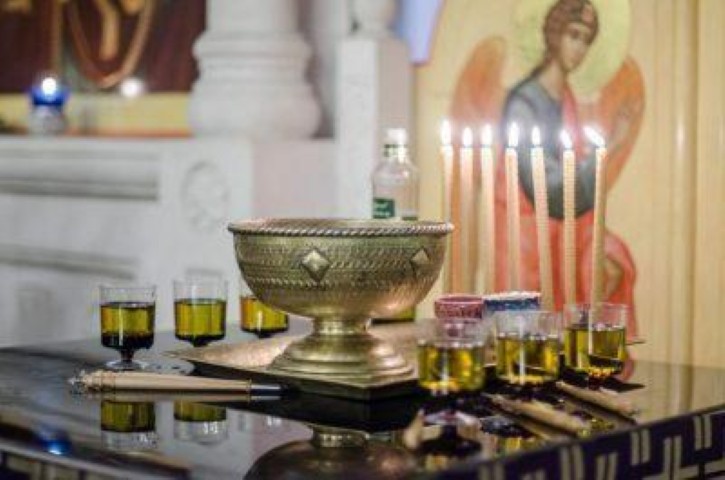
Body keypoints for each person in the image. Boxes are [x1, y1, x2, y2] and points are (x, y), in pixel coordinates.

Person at [452, 0, 643, 338]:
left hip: (560, 236)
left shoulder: (565, 98)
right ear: (555, 35)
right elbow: (551, 190)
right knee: (524, 340)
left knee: (616, 262)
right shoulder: (525, 103)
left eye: (587, 40)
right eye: (573, 35)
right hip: (524, 241)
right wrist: (610, 145)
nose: (579, 49)